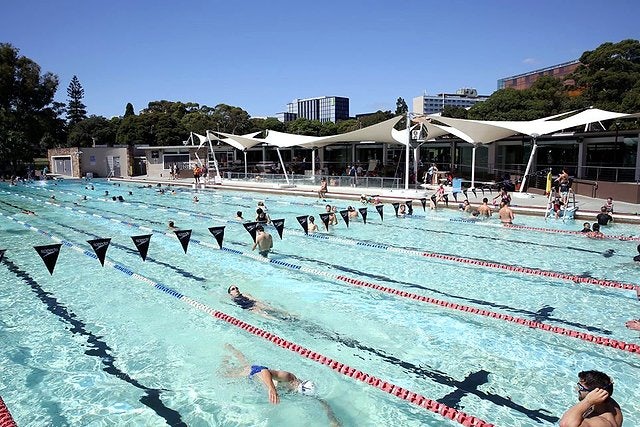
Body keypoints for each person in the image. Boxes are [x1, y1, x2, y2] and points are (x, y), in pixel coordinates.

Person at [221, 345, 341, 426]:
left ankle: (230, 350)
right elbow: (264, 371)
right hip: (254, 373)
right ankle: (225, 355)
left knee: (244, 361)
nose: (296, 384)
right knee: (224, 374)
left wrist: (333, 421)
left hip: (257, 382)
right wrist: (272, 389)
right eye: (297, 385)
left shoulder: (301, 391)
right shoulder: (289, 377)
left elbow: (323, 403)